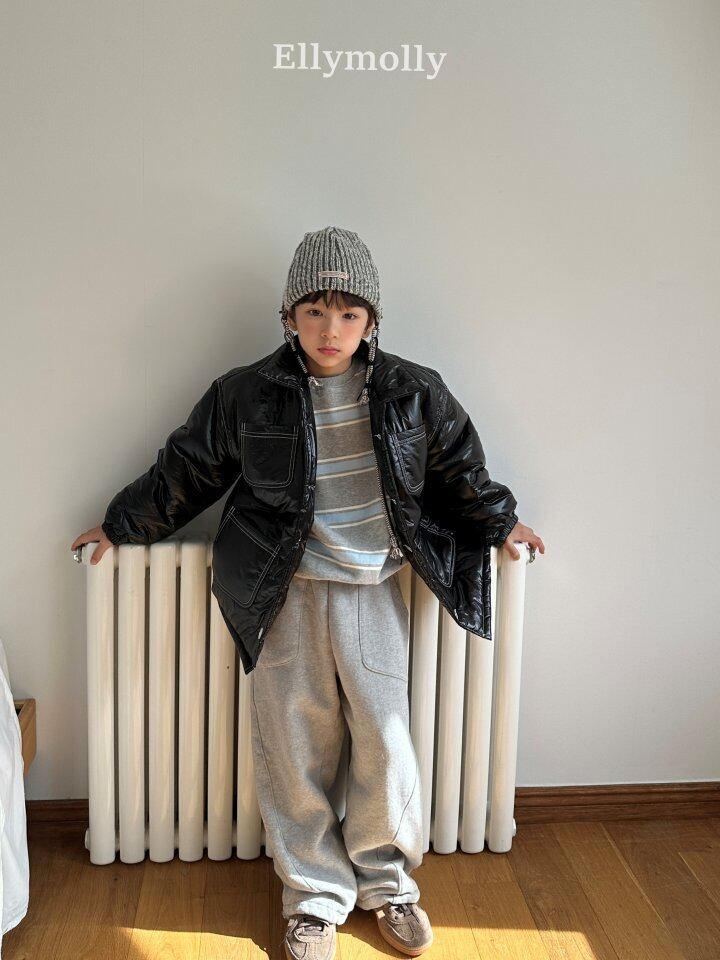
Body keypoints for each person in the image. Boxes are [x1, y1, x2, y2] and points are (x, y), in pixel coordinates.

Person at [71, 226, 545, 960]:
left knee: (385, 742)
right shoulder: (245, 393)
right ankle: (313, 900)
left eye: (348, 314)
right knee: (294, 746)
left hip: (373, 588)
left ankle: (389, 884)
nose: (331, 330)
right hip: (282, 590)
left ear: (372, 320)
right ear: (289, 315)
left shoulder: (414, 390)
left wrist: (503, 522)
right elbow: (187, 470)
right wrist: (121, 524)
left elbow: (459, 468)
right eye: (315, 311)